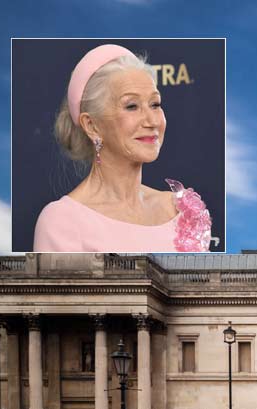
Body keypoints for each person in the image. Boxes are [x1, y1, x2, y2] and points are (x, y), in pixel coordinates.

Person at [34, 45, 211, 253]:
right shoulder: (62, 223)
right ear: (91, 125)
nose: (152, 121)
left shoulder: (183, 211)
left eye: (155, 104)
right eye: (131, 106)